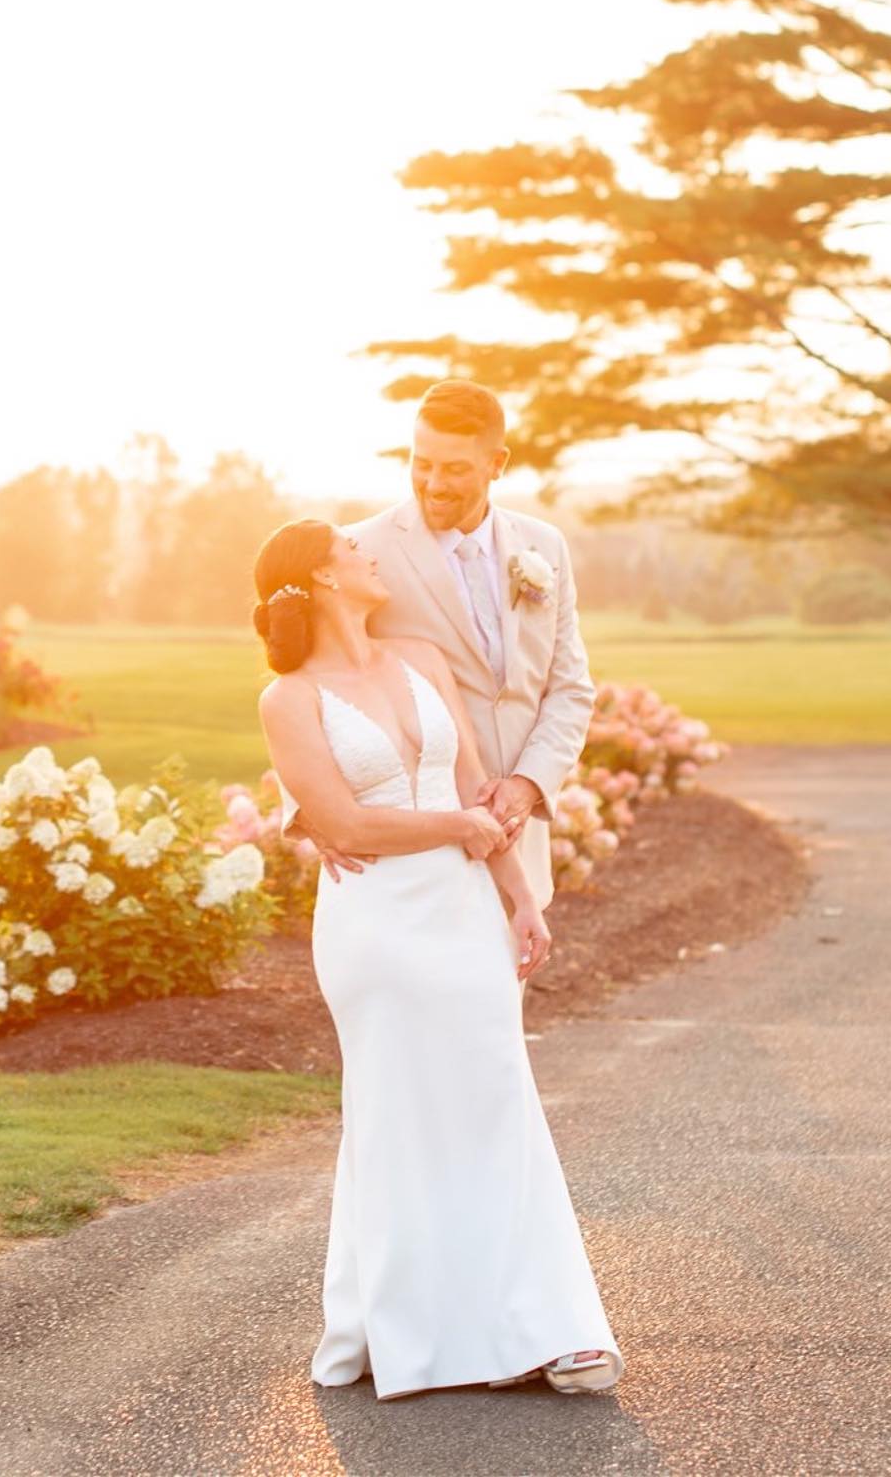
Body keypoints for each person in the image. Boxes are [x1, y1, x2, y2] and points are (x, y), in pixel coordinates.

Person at [254, 517, 624, 1402]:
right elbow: (341, 823)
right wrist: (456, 831)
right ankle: (413, 1326)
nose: (369, 553)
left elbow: (468, 788)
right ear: (324, 580)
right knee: (397, 1111)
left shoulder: (419, 656)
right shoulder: (289, 699)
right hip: (375, 925)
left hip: (462, 912)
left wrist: (516, 892)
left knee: (495, 1094)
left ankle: (548, 1322)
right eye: (351, 551)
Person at [301, 379, 595, 914]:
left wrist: (528, 785)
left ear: (497, 463)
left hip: (516, 836)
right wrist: (308, 811)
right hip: (413, 842)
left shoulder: (545, 546)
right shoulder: (360, 550)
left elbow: (570, 688)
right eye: (422, 463)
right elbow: (308, 679)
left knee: (505, 997)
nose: (433, 483)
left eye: (455, 468)